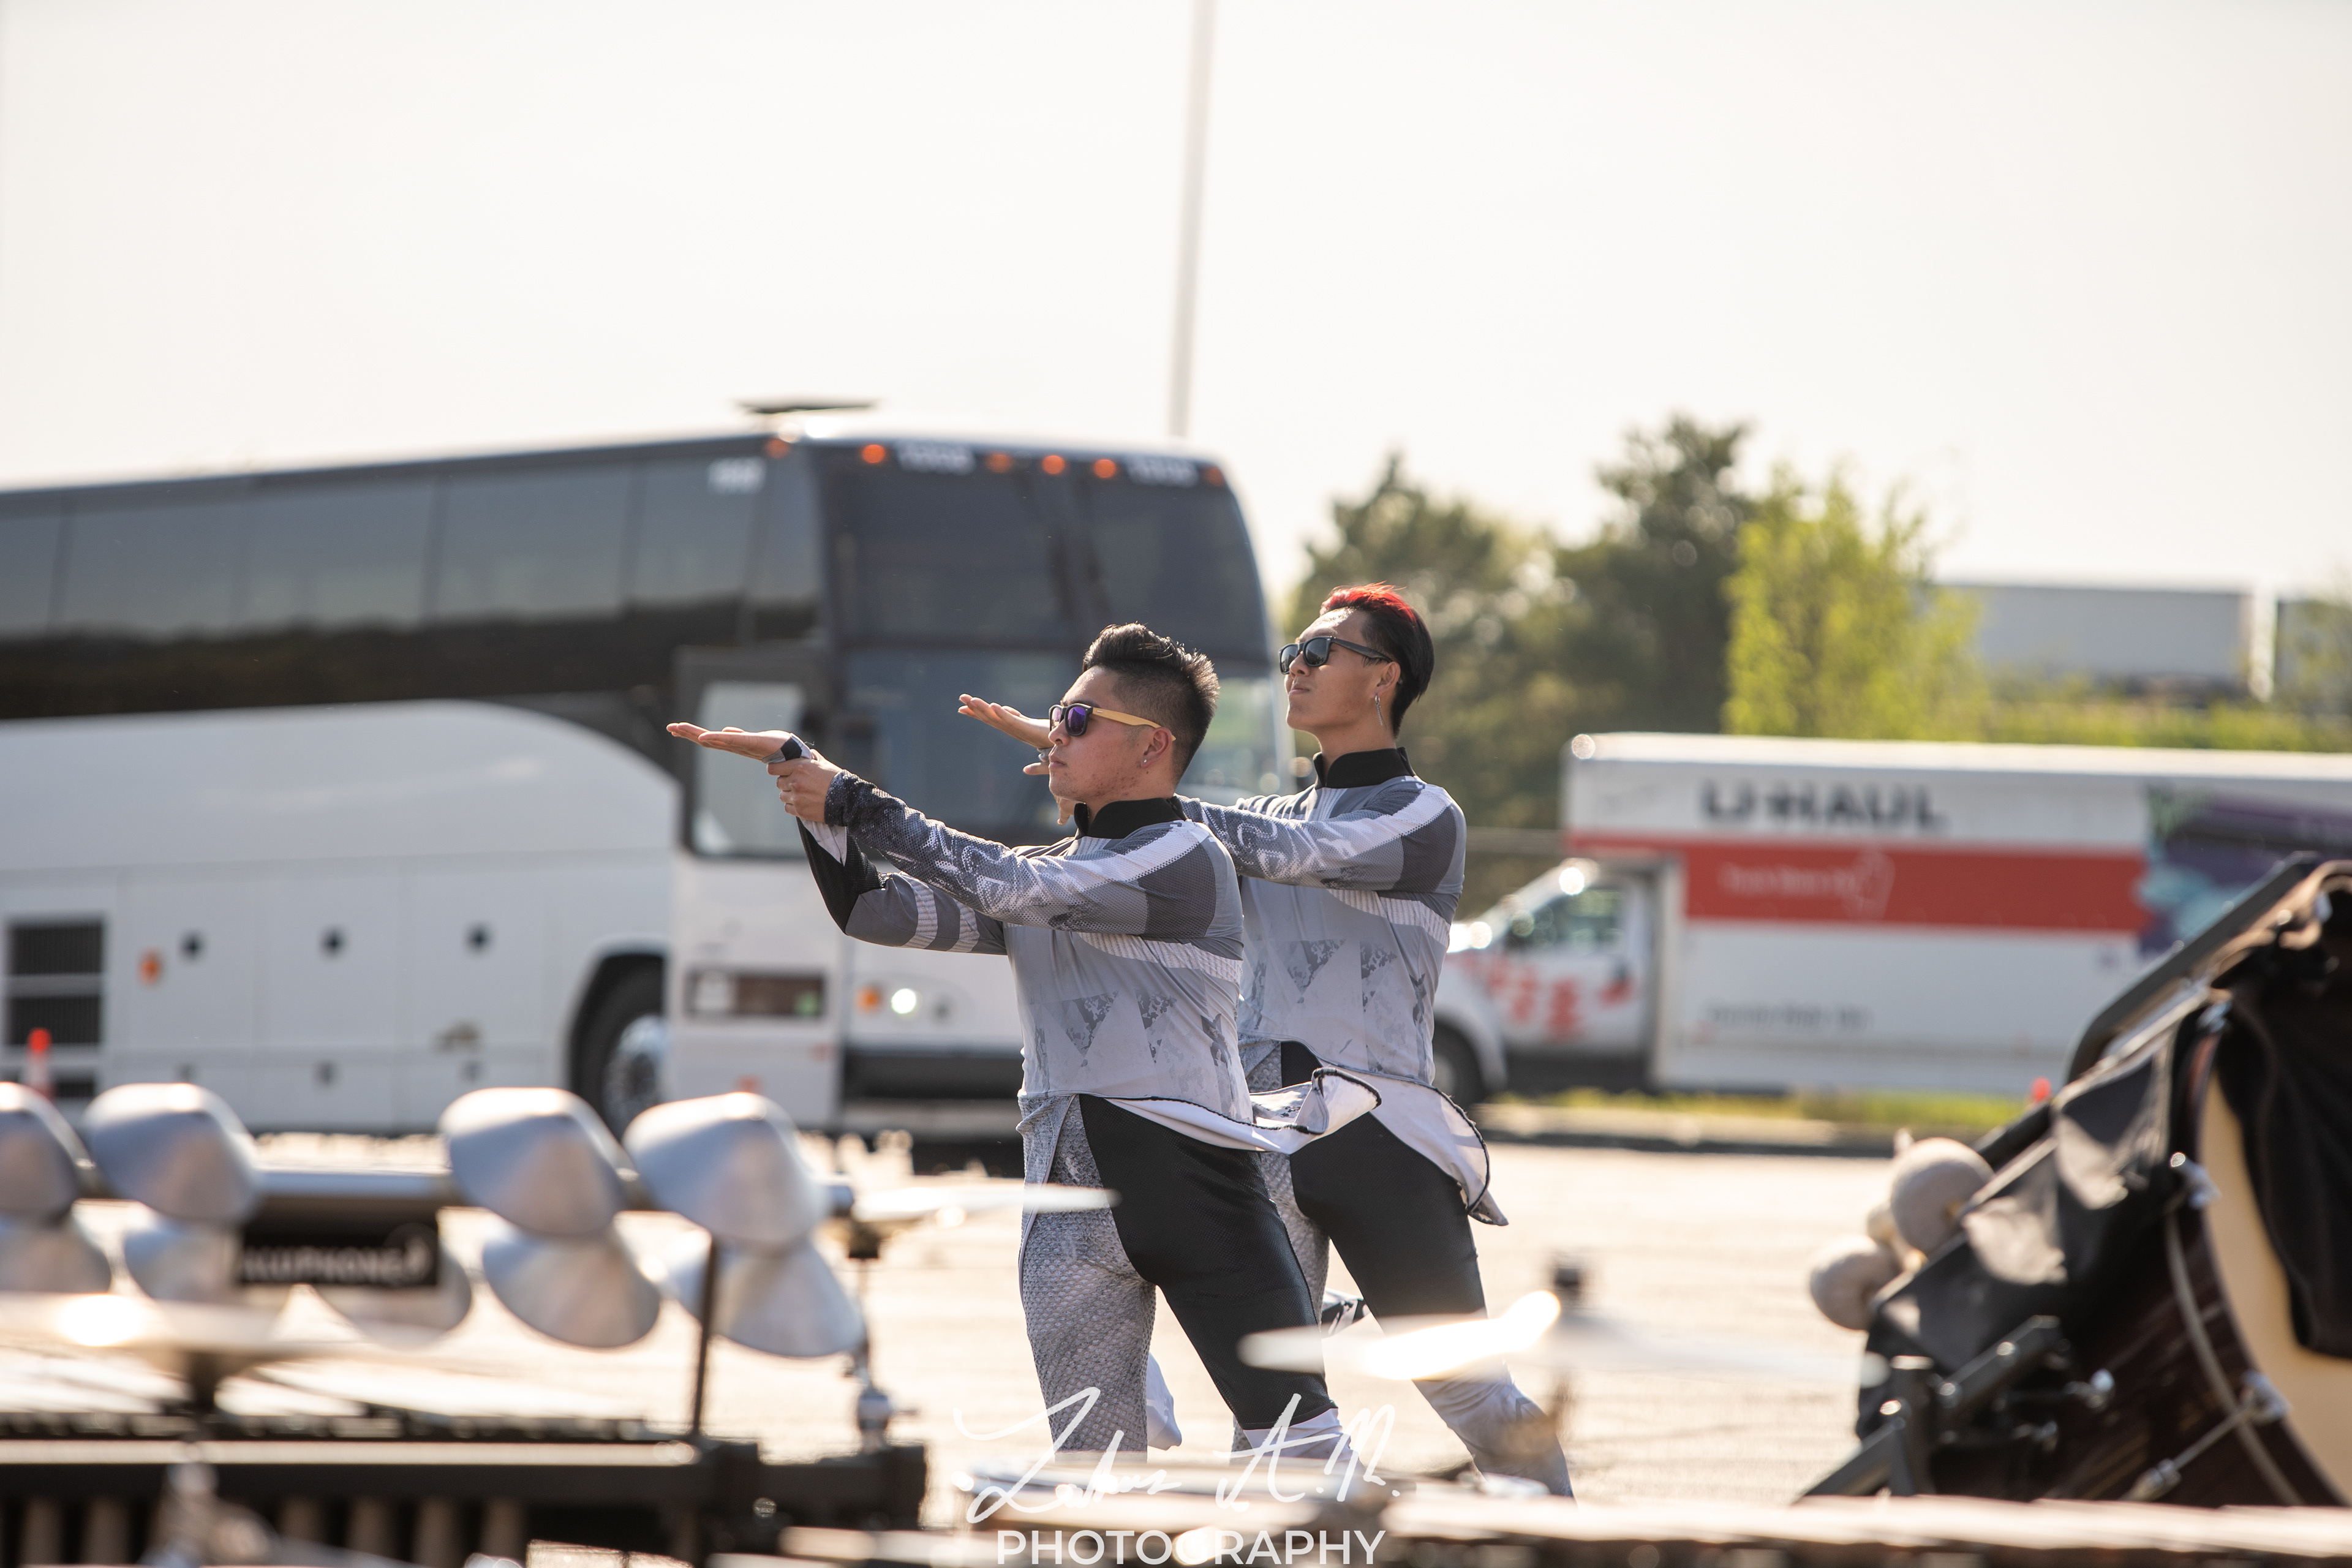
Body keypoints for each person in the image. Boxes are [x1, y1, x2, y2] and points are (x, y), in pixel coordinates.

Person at [670, 623, 1371, 1464]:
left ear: (1152, 746)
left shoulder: (1183, 858)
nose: (1054, 737)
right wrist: (809, 792)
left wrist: (852, 799)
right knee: (1093, 1478)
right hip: (1064, 1202)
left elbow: (1014, 886)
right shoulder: (1062, 872)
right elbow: (876, 912)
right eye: (1056, 717)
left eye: (1077, 721)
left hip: (1201, 1195)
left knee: (1304, 1457)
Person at [958, 584, 1571, 1494]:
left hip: (1381, 1139)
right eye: (1294, 653)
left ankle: (1566, 1541)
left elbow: (1301, 856)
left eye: (1321, 653)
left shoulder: (1423, 816)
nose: (1297, 668)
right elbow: (1183, 850)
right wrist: (1099, 764)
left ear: (1385, 679)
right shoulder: (1260, 816)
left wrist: (1123, 774)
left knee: (1471, 1394)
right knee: (1278, 1426)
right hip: (1265, 1137)